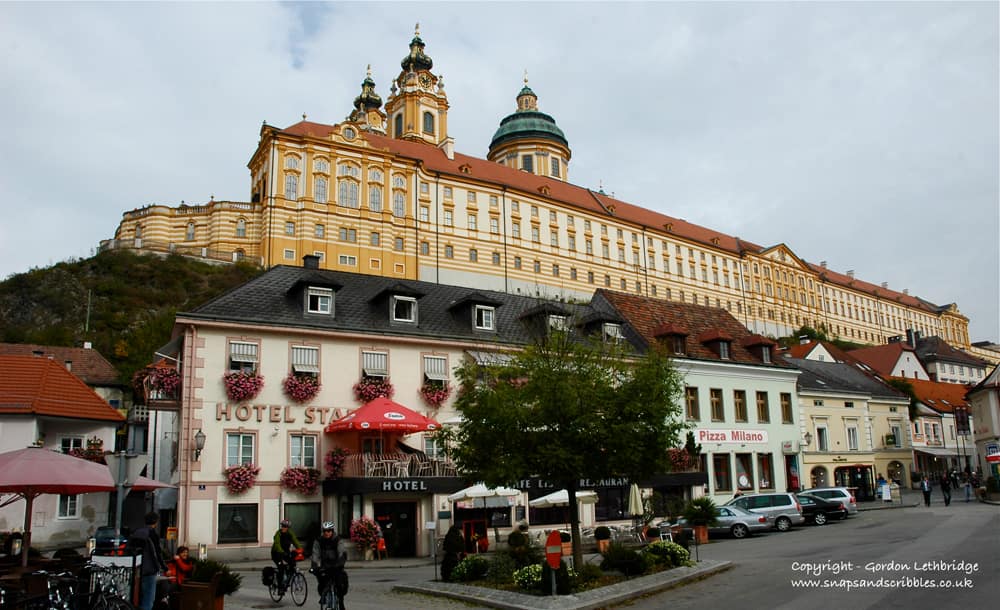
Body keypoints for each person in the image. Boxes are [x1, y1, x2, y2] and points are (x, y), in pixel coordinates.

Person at [130, 511, 168, 610]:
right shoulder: (152, 534)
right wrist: (165, 568)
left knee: (136, 597)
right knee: (148, 599)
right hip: (149, 569)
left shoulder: (136, 532)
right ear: (155, 522)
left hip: (136, 567)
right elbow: (158, 553)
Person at [311, 521, 348, 610]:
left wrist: (339, 563)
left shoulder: (338, 540)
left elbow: (342, 553)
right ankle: (324, 595)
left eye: (328, 531)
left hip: (336, 565)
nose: (326, 533)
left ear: (332, 531)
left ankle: (341, 602)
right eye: (324, 531)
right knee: (321, 582)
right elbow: (315, 554)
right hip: (325, 566)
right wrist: (314, 566)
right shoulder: (319, 541)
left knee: (339, 584)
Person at [271, 519, 301, 588]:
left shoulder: (290, 533)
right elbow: (277, 544)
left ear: (288, 527)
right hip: (276, 553)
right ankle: (280, 587)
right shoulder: (278, 534)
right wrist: (281, 552)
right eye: (283, 526)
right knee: (281, 568)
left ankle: (286, 580)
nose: (284, 528)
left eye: (286, 526)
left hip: (286, 552)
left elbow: (295, 541)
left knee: (292, 565)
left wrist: (300, 550)